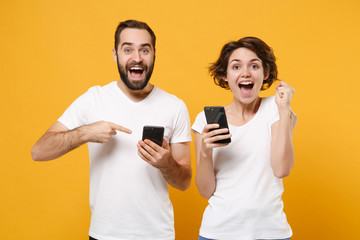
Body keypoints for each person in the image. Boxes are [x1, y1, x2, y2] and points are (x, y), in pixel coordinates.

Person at [31, 19, 192, 240]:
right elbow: (39, 151)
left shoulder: (175, 106)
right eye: (128, 49)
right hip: (104, 234)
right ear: (115, 54)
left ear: (154, 54)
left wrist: (166, 163)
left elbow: (184, 182)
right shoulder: (93, 99)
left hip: (157, 234)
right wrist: (85, 132)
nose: (137, 58)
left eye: (144, 50)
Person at [192, 37, 297, 240]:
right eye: (236, 66)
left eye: (254, 66)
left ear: (265, 73)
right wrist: (205, 152)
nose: (246, 73)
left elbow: (281, 169)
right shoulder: (205, 120)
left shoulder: (275, 109)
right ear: (225, 75)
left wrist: (285, 111)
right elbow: (205, 191)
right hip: (217, 233)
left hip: (272, 233)